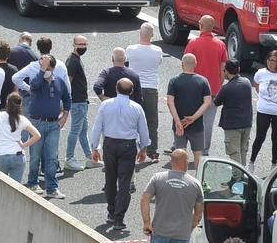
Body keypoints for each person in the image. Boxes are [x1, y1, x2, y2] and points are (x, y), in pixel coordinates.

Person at [90, 77, 150, 235]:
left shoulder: (105, 105)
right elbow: (144, 130)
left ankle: (111, 211)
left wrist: (95, 147)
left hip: (110, 144)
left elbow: (97, 127)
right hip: (128, 146)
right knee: (124, 183)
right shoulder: (137, 108)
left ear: (116, 89)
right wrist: (144, 148)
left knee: (110, 179)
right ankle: (119, 218)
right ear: (131, 91)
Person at [24, 54, 71, 198]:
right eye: (44, 68)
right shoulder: (37, 80)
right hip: (37, 123)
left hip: (53, 124)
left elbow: (67, 99)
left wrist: (64, 116)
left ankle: (52, 188)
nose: (46, 70)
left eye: (49, 68)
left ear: (54, 68)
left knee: (52, 157)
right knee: (35, 156)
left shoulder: (59, 82)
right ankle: (32, 183)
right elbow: (35, 85)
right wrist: (42, 69)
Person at [140, 148, 203, 243]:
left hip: (159, 233)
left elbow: (145, 199)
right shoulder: (195, 184)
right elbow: (198, 215)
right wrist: (189, 229)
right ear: (186, 162)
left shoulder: (157, 178)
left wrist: (147, 223)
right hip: (182, 235)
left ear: (171, 162)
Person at [186, 15, 226, 155]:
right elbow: (223, 69)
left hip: (194, 89)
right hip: (213, 89)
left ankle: (182, 145)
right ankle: (205, 150)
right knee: (208, 122)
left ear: (201, 26)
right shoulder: (220, 44)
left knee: (190, 117)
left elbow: (186, 66)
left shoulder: (193, 43)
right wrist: (219, 85)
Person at [167, 53, 213, 168]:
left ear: (182, 64)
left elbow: (170, 102)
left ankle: (180, 181)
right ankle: (197, 181)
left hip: (179, 125)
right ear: (195, 64)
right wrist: (193, 118)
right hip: (197, 125)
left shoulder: (174, 81)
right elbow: (207, 102)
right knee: (198, 154)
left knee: (180, 154)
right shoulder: (203, 81)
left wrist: (177, 121)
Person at [127, 23, 164, 158]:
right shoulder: (158, 50)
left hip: (133, 88)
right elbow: (158, 63)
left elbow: (126, 63)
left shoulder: (131, 49)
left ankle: (130, 148)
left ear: (140, 34)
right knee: (152, 121)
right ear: (152, 36)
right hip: (151, 88)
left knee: (131, 120)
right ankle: (152, 150)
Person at [213, 60, 253, 162]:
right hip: (246, 123)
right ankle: (243, 174)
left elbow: (215, 103)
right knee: (243, 150)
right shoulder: (247, 82)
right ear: (238, 69)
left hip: (232, 126)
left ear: (225, 71)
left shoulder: (226, 88)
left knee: (234, 152)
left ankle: (237, 176)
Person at [65, 35, 92, 171]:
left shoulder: (75, 59)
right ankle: (69, 159)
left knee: (83, 130)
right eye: (80, 44)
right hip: (77, 102)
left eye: (85, 44)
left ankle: (90, 157)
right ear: (74, 45)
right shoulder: (73, 61)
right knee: (76, 130)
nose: (83, 47)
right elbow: (68, 83)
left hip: (82, 101)